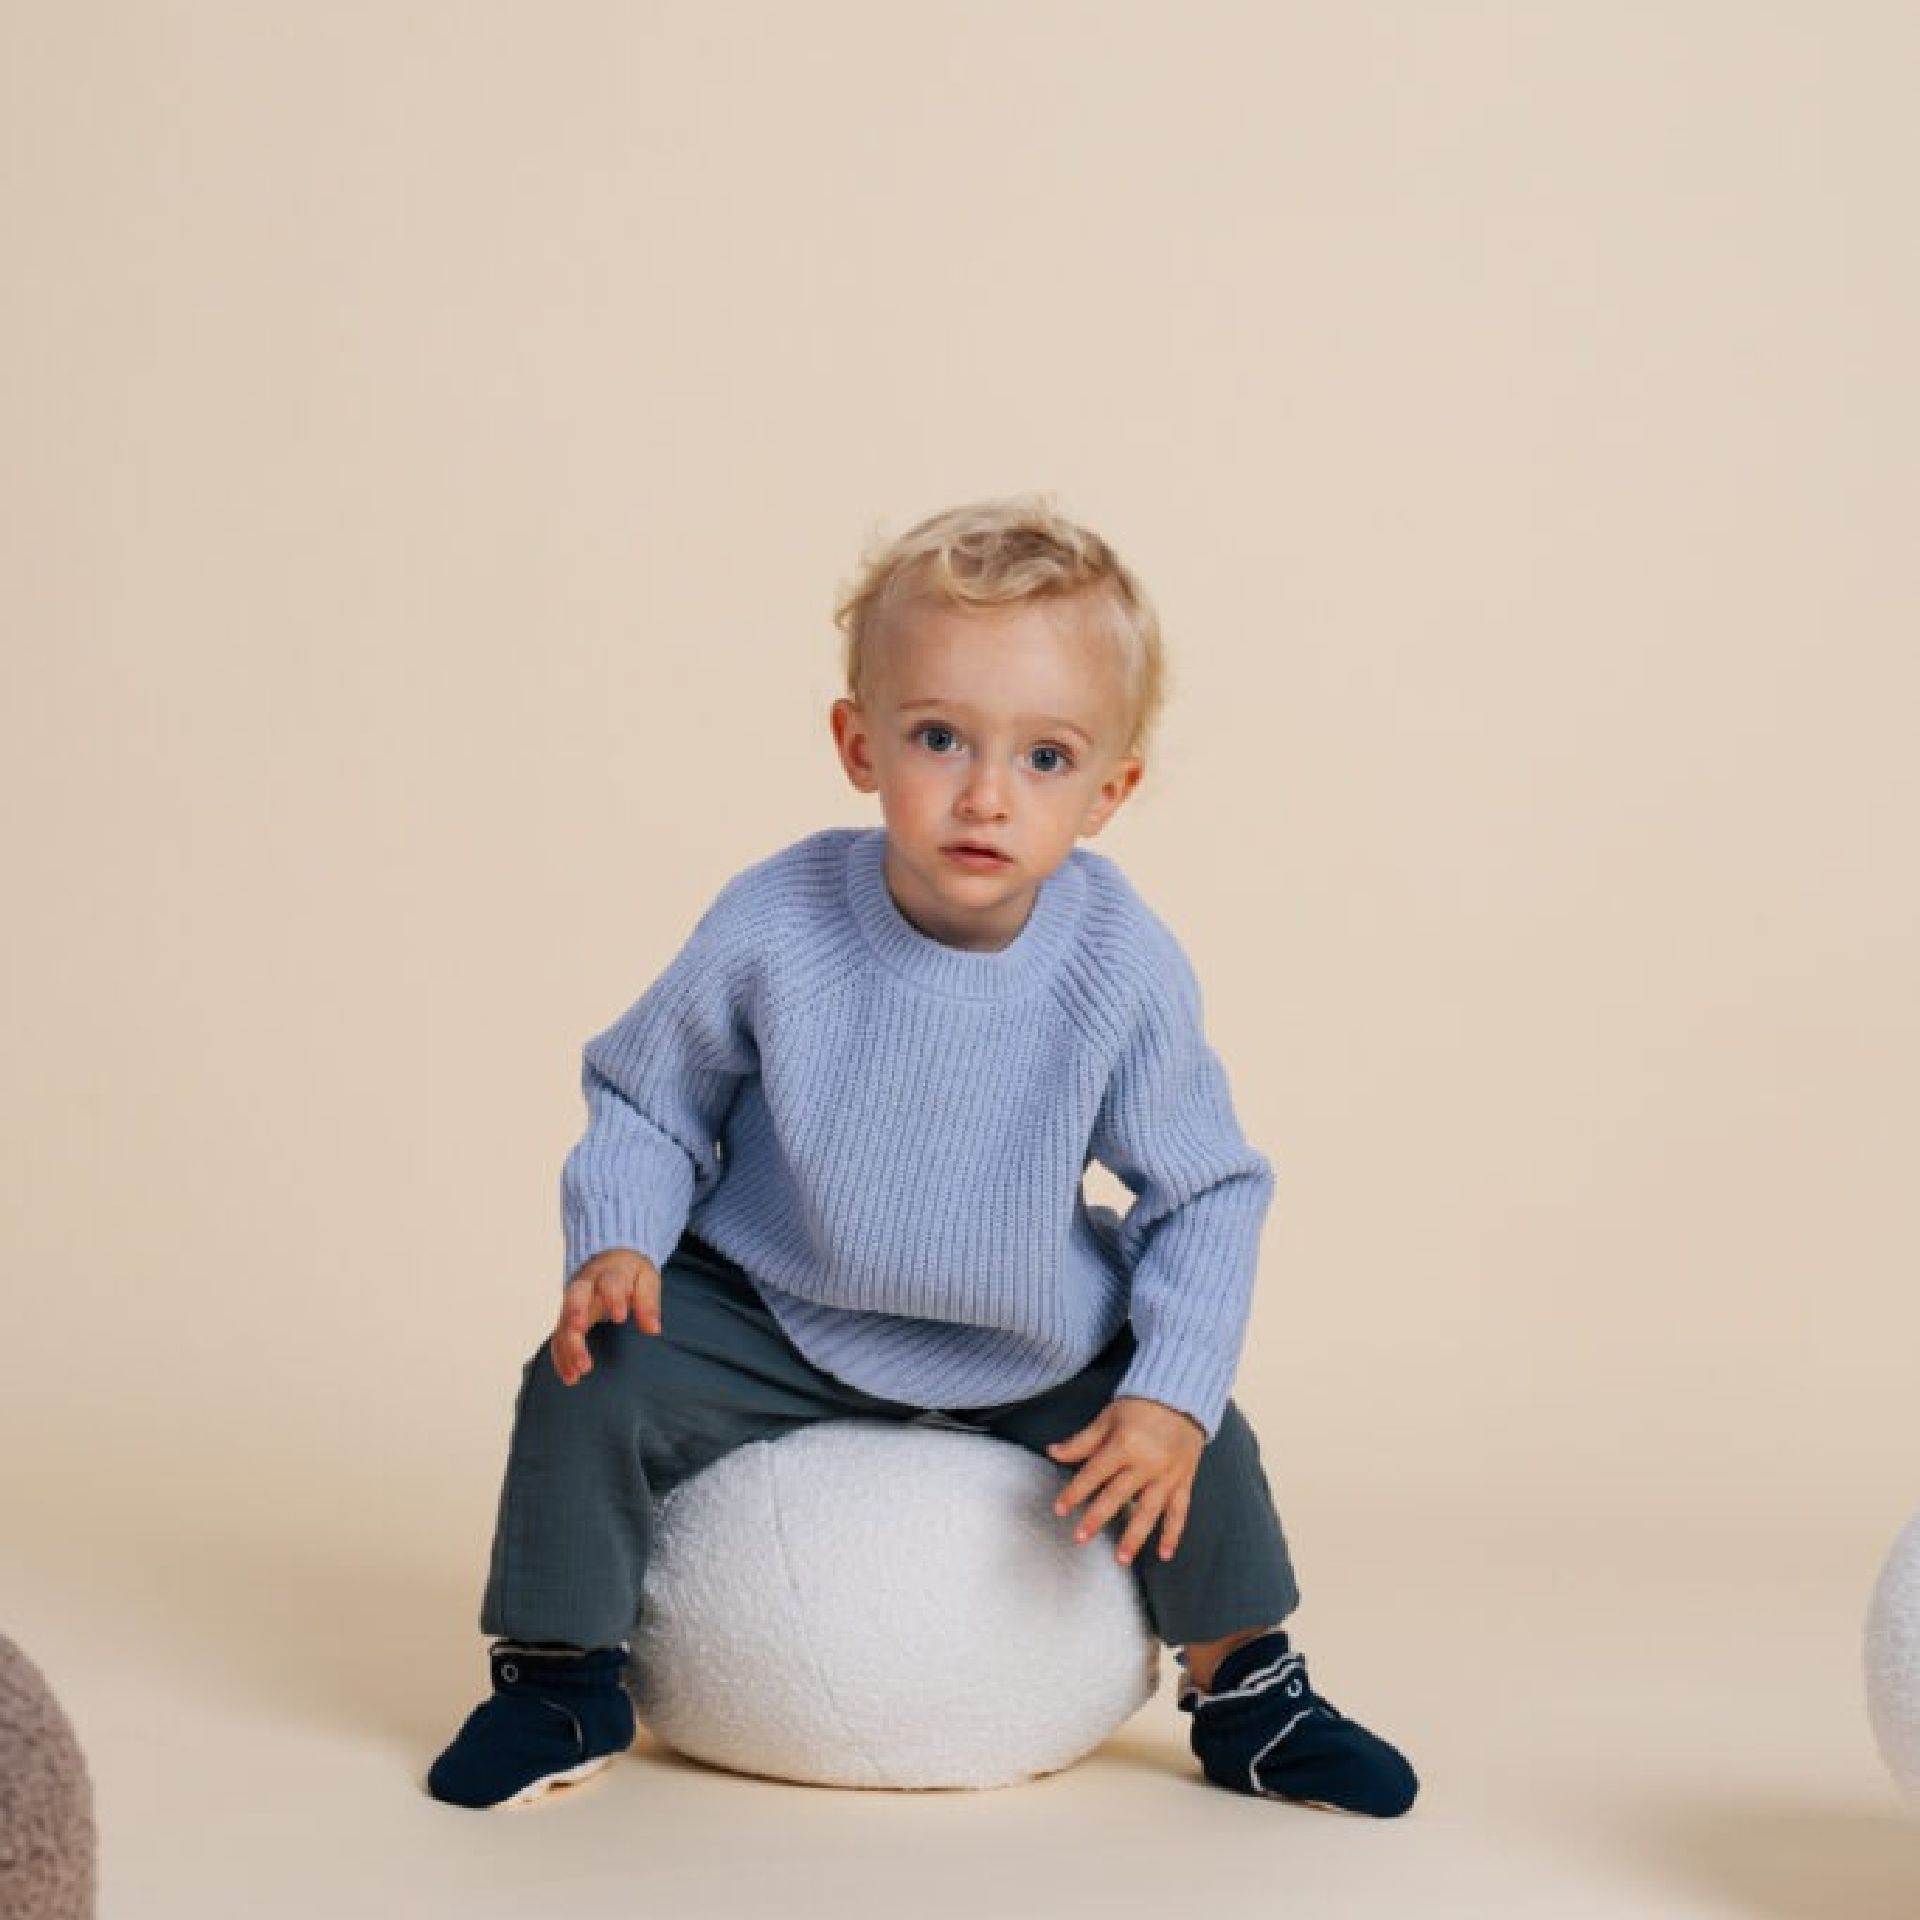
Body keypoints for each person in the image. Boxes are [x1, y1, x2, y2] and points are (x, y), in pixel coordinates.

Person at [426, 497, 1418, 1817]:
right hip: (775, 1305)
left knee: (1195, 1434)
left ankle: (1246, 1689)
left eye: (1048, 757)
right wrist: (617, 1238)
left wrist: (1169, 1395)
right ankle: (557, 1675)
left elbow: (1206, 1190)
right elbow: (652, 1096)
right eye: (938, 737)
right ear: (858, 743)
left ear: (1111, 791)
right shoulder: (778, 920)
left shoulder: (1119, 964)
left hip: (1026, 1334)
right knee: (586, 1376)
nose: (986, 794)